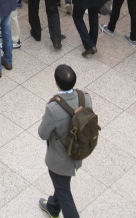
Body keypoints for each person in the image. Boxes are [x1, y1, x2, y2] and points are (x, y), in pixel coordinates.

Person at [37, 63, 91, 218]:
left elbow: (42, 133)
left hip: (60, 158)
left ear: (57, 83)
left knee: (63, 191)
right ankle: (53, 206)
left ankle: (58, 208)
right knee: (61, 184)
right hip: (78, 149)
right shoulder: (85, 97)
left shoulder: (54, 108)